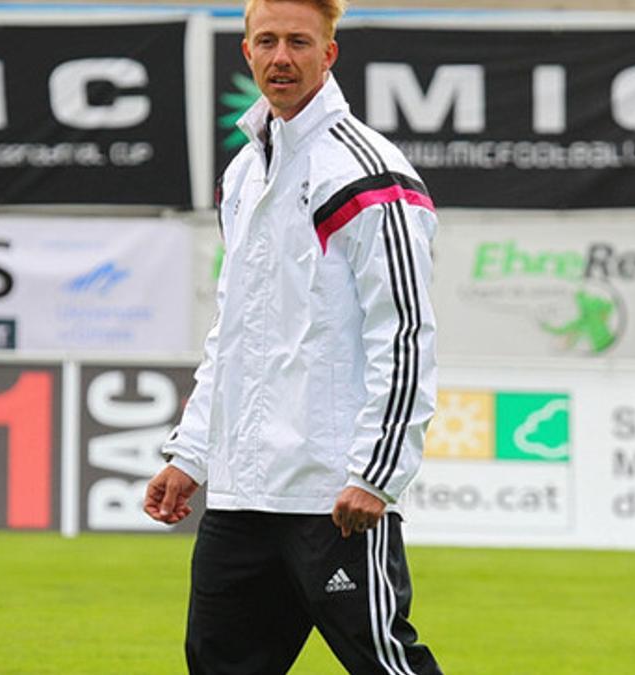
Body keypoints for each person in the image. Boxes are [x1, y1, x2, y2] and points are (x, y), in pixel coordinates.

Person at [144, 0, 441, 672]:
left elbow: (405, 332)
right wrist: (191, 454)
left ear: (328, 54)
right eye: (267, 41)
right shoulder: (245, 173)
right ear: (246, 52)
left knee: (385, 662)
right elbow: (237, 331)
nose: (282, 57)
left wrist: (378, 472)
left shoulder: (368, 172)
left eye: (299, 42)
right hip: (244, 492)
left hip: (331, 494)